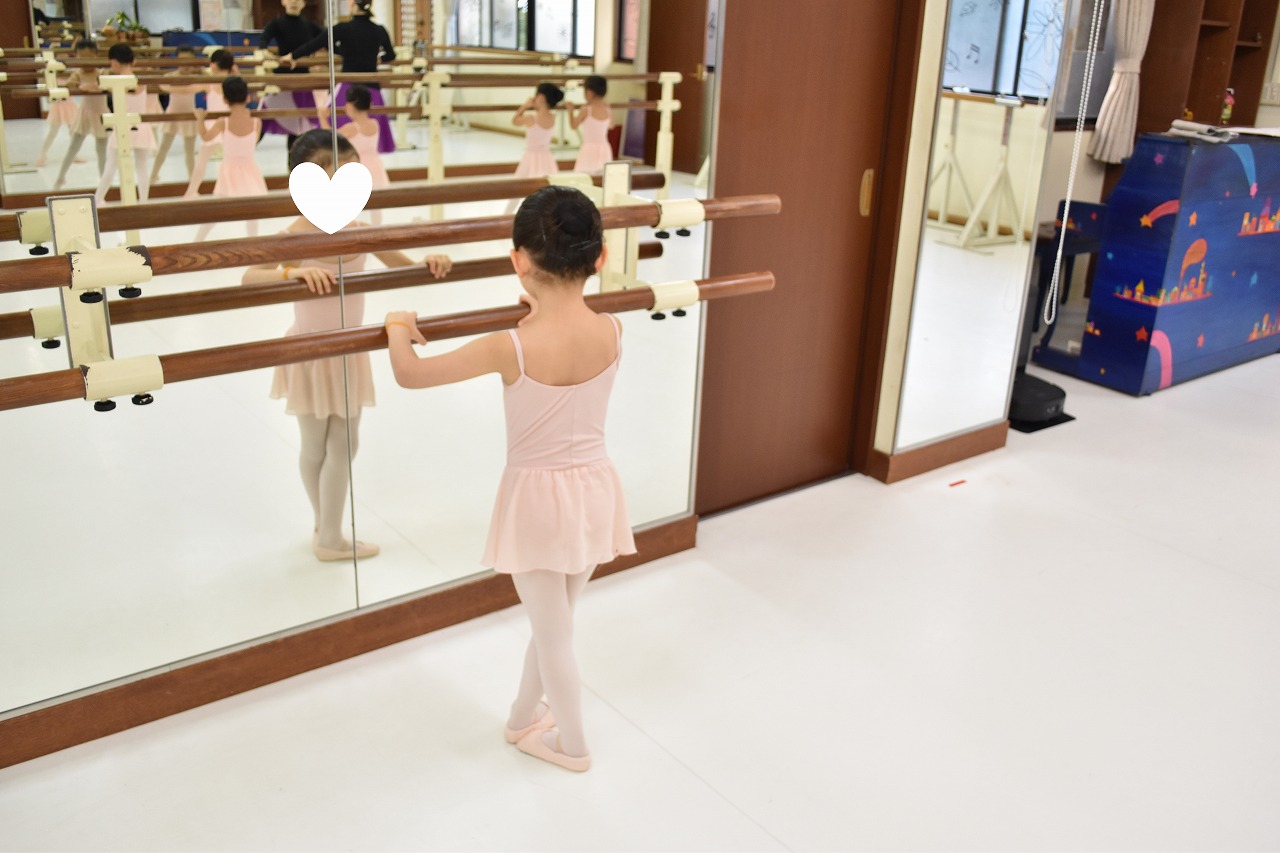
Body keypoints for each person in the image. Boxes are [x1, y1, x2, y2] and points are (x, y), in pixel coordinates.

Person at [384, 185, 637, 772]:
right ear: (600, 258)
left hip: (537, 504)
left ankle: (573, 746)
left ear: (519, 260)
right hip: (595, 491)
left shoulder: (510, 347)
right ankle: (524, 717)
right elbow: (566, 332)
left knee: (554, 634)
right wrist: (544, 312)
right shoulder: (613, 330)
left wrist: (397, 324)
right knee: (556, 622)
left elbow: (410, 373)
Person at [242, 130, 453, 562]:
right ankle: (328, 533)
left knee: (344, 443)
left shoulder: (359, 230)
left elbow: (404, 265)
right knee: (315, 444)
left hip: (348, 350)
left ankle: (329, 530)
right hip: (309, 352)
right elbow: (249, 278)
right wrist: (290, 273)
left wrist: (432, 261)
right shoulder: (294, 237)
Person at [278, 0, 396, 154]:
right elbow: (391, 55)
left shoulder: (342, 28)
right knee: (368, 143)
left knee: (334, 139)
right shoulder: (379, 30)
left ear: (353, 5)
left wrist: (292, 56)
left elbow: (315, 44)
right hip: (372, 90)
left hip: (347, 89)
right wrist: (378, 59)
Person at [192, 77, 267, 240]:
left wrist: (200, 119)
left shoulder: (223, 122)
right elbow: (253, 141)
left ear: (225, 100)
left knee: (215, 211)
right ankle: (253, 241)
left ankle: (197, 240)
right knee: (252, 212)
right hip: (250, 170)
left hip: (229, 171)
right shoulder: (256, 122)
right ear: (247, 98)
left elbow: (205, 137)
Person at [258, 0, 325, 158]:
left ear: (303, 3)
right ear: (283, 2)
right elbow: (263, 41)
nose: (294, 2)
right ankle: (240, 155)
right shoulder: (276, 23)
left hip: (302, 82)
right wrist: (266, 53)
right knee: (262, 120)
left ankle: (294, 166)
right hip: (281, 80)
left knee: (299, 128)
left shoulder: (310, 25)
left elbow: (328, 41)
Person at [94, 43, 156, 204]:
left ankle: (98, 199)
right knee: (142, 167)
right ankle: (144, 201)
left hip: (123, 126)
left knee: (111, 166)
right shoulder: (139, 80)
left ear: (114, 62)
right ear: (133, 61)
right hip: (140, 126)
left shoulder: (115, 82)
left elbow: (97, 87)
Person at [51, 40, 107, 190]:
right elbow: (69, 84)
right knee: (73, 147)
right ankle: (60, 177)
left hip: (101, 112)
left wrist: (85, 86)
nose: (86, 62)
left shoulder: (102, 73)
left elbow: (101, 86)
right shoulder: (77, 73)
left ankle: (103, 181)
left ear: (96, 56)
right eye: (82, 58)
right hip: (85, 112)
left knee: (101, 149)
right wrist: (72, 84)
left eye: (90, 58)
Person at [184, 50, 241, 197]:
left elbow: (187, 89)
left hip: (212, 126)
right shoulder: (235, 82)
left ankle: (191, 192)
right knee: (230, 161)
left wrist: (166, 87)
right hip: (228, 125)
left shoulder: (209, 83)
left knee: (201, 163)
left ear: (214, 65)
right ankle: (230, 191)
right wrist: (236, 72)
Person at [505, 83, 563, 214]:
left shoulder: (532, 118)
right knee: (546, 190)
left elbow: (515, 121)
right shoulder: (552, 117)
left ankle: (506, 215)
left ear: (541, 97)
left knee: (517, 188)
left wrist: (525, 106)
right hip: (546, 157)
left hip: (531, 157)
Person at [149, 45, 202, 184]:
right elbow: (164, 86)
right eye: (182, 61)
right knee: (164, 147)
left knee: (189, 150)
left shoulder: (196, 78)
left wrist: (201, 72)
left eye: (189, 61)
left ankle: (192, 179)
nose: (186, 65)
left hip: (190, 116)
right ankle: (153, 175)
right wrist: (182, 85)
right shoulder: (170, 77)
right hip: (172, 115)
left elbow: (202, 86)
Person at [338, 84, 388, 225]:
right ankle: (377, 228)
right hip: (375, 167)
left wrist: (322, 117)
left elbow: (329, 136)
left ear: (349, 106)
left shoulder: (351, 128)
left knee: (349, 202)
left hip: (357, 168)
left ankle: (349, 227)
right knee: (375, 205)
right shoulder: (374, 124)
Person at [570, 75, 612, 173]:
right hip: (604, 148)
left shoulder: (586, 109)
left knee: (585, 175)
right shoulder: (608, 109)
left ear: (589, 92)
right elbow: (611, 125)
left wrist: (570, 111)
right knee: (603, 175)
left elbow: (574, 126)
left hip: (589, 149)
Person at [35, 77, 79, 168]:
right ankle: (42, 155)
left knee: (73, 132)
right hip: (58, 106)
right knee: (52, 133)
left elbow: (76, 86)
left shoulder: (71, 76)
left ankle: (74, 154)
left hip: (69, 105)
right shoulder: (52, 77)